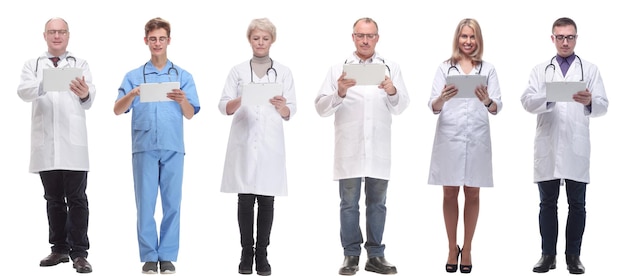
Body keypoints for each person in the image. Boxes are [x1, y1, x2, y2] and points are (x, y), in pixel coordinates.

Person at [315, 17, 409, 276]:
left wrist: (392, 90)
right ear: (353, 37)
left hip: (378, 147)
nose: (365, 40)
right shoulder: (338, 69)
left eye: (370, 36)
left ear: (377, 38)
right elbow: (320, 108)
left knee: (378, 203)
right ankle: (351, 256)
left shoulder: (391, 67)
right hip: (349, 148)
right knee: (349, 203)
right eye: (360, 35)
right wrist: (340, 92)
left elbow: (401, 107)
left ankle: (376, 256)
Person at [113, 17, 200, 274]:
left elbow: (190, 113)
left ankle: (168, 255)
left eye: (162, 38)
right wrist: (132, 93)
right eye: (153, 39)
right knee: (146, 204)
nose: (157, 43)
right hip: (144, 146)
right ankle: (150, 256)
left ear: (169, 41)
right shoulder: (133, 76)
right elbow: (117, 110)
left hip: (173, 146)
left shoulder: (182, 76)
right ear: (146, 41)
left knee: (173, 203)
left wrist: (183, 99)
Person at [521, 17, 608, 275]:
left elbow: (603, 104)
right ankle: (547, 255)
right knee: (547, 204)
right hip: (548, 146)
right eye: (560, 37)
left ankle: (574, 257)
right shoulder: (540, 70)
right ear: (552, 38)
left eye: (569, 37)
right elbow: (526, 101)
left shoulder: (589, 70)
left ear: (576, 38)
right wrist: (548, 96)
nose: (565, 42)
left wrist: (590, 100)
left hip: (575, 147)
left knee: (577, 205)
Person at [218, 17, 296, 276]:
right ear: (249, 40)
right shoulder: (238, 71)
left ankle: (262, 254)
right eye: (256, 38)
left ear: (272, 40)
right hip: (243, 139)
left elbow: (291, 110)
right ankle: (245, 253)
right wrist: (242, 97)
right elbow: (224, 107)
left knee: (266, 199)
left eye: (265, 38)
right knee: (245, 198)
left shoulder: (283, 72)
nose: (260, 42)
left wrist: (282, 106)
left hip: (270, 143)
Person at [17, 17, 95, 274]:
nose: (57, 36)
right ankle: (59, 248)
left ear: (68, 35)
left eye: (61, 32)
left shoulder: (80, 64)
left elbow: (89, 96)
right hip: (46, 144)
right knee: (52, 199)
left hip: (73, 145)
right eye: (52, 32)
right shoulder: (33, 65)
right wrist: (45, 82)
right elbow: (23, 91)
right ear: (45, 35)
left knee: (77, 199)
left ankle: (79, 253)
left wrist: (84, 92)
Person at [427, 18, 502, 274]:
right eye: (463, 37)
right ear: (457, 39)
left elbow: (496, 108)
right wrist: (441, 98)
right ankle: (451, 247)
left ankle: (467, 248)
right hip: (450, 135)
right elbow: (433, 107)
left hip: (477, 136)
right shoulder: (445, 68)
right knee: (449, 192)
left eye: (472, 37)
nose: (468, 41)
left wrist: (487, 100)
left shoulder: (488, 69)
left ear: (478, 39)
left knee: (473, 193)